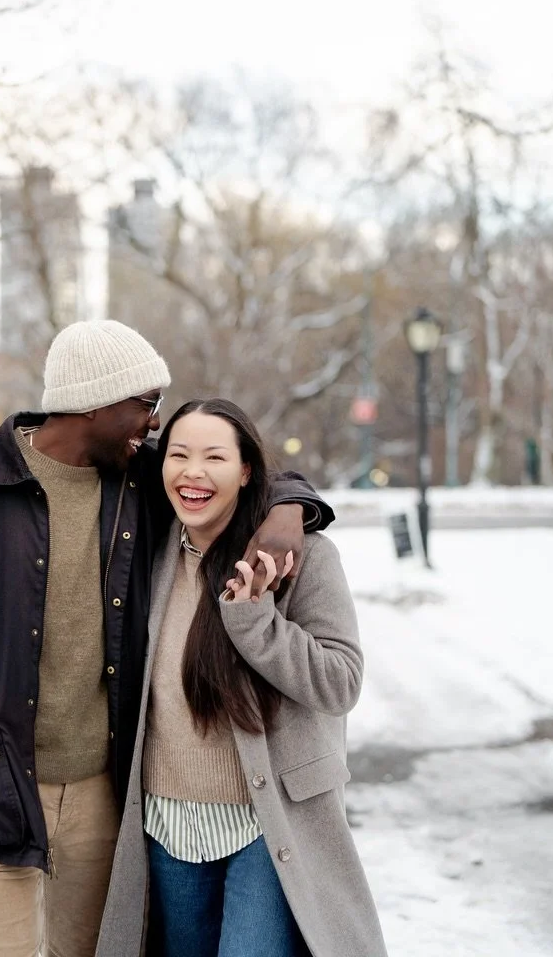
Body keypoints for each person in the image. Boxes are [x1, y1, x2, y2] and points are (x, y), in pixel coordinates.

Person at [0, 321, 333, 957]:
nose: (155, 423)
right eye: (146, 405)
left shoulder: (140, 481)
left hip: (105, 797)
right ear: (96, 403)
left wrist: (289, 514)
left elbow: (242, 471)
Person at [95, 398, 388, 957]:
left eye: (214, 457)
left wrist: (255, 621)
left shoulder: (302, 560)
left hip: (267, 821)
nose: (193, 472)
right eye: (178, 455)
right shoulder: (149, 556)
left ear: (247, 469)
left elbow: (340, 682)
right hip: (166, 823)